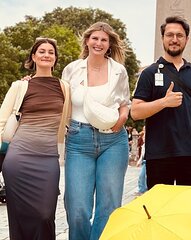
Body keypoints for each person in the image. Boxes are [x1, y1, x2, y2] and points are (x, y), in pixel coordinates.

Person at [131, 16, 191, 189]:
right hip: (159, 155)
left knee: (189, 211)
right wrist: (163, 102)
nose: (174, 39)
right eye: (169, 35)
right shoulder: (149, 73)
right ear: (163, 38)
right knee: (160, 211)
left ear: (186, 39)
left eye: (179, 35)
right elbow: (135, 112)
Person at [61, 22, 130, 240]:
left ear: (109, 45)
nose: (99, 43)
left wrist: (123, 118)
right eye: (95, 38)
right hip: (78, 140)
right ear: (87, 41)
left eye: (104, 40)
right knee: (78, 208)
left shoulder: (119, 71)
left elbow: (125, 102)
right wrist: (30, 82)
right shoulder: (72, 69)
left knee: (108, 207)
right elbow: (59, 98)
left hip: (113, 142)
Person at [0, 37, 70, 240]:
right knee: (19, 215)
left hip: (48, 159)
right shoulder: (20, 86)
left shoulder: (64, 87)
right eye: (42, 51)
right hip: (19, 159)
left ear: (55, 58)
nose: (46, 55)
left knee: (45, 214)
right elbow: (2, 121)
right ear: (33, 56)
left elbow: (69, 118)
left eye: (51, 52)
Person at [135, 126, 147, 195]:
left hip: (147, 162)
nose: (143, 138)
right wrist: (139, 161)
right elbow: (142, 155)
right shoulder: (143, 146)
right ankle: (141, 189)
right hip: (144, 162)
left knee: (143, 176)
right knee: (142, 176)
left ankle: (143, 189)